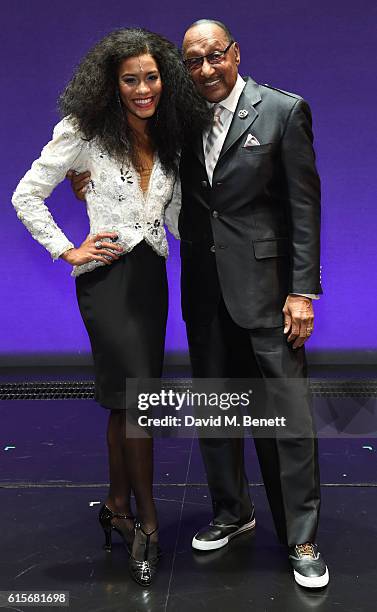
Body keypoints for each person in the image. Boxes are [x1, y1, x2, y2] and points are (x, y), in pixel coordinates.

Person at [69, 19, 329, 589]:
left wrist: (303, 290)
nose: (206, 69)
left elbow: (304, 209)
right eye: (193, 61)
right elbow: (141, 172)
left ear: (235, 53)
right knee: (218, 413)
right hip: (204, 291)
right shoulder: (178, 120)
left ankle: (301, 536)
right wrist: (85, 180)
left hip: (268, 293)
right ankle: (233, 513)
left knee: (285, 418)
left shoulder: (283, 111)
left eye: (215, 56)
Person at [11, 27, 209, 587]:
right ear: (111, 84)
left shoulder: (168, 133)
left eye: (151, 77)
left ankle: (117, 507)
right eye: (131, 79)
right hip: (106, 281)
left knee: (125, 404)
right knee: (139, 402)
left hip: (151, 281)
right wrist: (66, 249)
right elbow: (26, 194)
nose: (143, 88)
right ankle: (146, 523)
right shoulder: (83, 131)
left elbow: (168, 216)